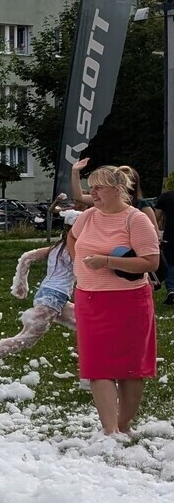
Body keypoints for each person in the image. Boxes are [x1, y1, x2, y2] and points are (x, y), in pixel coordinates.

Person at [68, 165, 160, 436]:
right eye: (91, 186)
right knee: (97, 366)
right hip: (89, 299)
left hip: (128, 301)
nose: (92, 192)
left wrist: (107, 262)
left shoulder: (136, 219)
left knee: (130, 369)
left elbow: (151, 261)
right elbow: (72, 240)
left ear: (117, 189)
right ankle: (110, 431)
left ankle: (123, 425)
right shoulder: (87, 217)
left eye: (98, 187)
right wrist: (81, 265)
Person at [0, 217, 79, 387]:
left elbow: (26, 257)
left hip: (49, 295)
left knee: (86, 323)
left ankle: (91, 373)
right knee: (26, 338)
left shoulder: (56, 247)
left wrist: (21, 285)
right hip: (53, 298)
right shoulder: (72, 250)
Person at [156, 172, 174, 306]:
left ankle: (171, 289)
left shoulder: (165, 197)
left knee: (171, 262)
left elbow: (157, 217)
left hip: (170, 234)